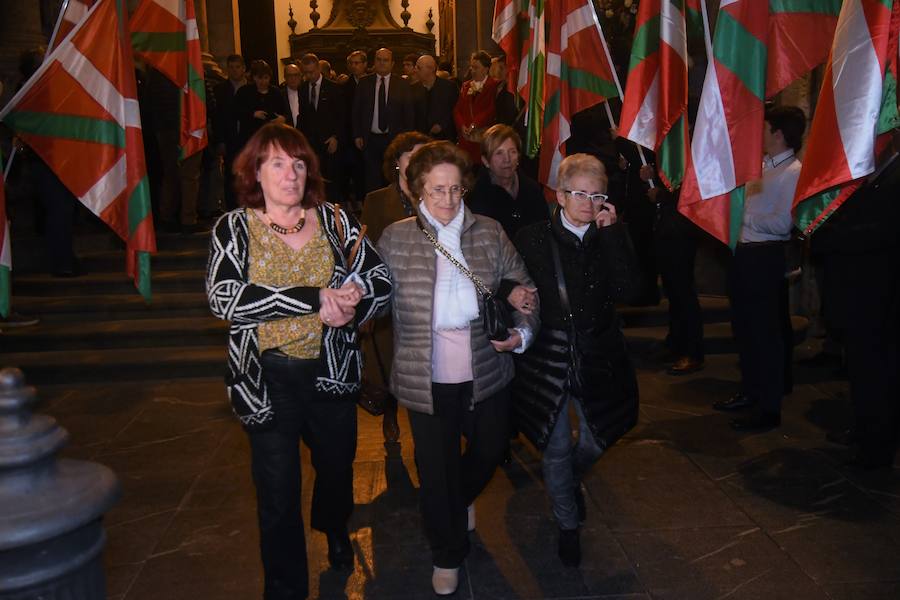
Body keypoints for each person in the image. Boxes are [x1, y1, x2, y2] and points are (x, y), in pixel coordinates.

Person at [205, 123, 392, 599]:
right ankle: (285, 590)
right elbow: (225, 297)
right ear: (255, 173)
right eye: (277, 163)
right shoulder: (234, 227)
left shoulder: (333, 220)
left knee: (336, 472)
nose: (291, 173)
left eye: (299, 163)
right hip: (266, 380)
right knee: (277, 495)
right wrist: (314, 297)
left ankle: (333, 528)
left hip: (332, 374)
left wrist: (355, 295)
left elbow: (380, 278)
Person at [376, 141, 539, 596]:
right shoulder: (395, 237)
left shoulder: (489, 231)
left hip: (485, 366)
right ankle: (447, 552)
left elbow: (526, 290)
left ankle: (457, 500)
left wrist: (522, 333)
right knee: (436, 468)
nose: (447, 201)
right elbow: (374, 297)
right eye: (436, 191)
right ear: (415, 192)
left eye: (455, 190)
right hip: (422, 373)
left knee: (488, 450)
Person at [512, 154, 640, 568]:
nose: (588, 203)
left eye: (597, 195)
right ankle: (568, 525)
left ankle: (566, 483)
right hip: (547, 355)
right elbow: (511, 284)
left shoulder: (609, 235)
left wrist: (615, 234)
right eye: (580, 193)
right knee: (554, 445)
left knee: (596, 438)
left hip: (598, 354)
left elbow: (630, 289)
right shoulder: (532, 237)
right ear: (561, 194)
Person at [713, 106, 805, 431]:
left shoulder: (793, 171)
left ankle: (769, 408)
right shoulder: (762, 166)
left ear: (778, 133)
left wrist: (740, 216)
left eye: (764, 127)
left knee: (766, 334)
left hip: (764, 258)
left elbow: (784, 223)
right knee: (745, 329)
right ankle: (750, 391)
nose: (760, 133)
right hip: (744, 256)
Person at [361, 131, 432, 443]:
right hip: (391, 297)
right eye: (411, 156)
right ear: (397, 163)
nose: (417, 162)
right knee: (389, 362)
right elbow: (367, 252)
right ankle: (390, 414)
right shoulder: (376, 201)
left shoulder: (436, 196)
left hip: (429, 297)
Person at [466, 124, 548, 242]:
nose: (507, 159)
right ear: (485, 161)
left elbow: (545, 230)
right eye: (499, 153)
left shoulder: (532, 189)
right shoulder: (477, 196)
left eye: (512, 152)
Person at [352, 48, 415, 193]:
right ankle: (374, 212)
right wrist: (357, 135)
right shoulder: (364, 83)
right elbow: (356, 112)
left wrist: (406, 140)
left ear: (392, 63)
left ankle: (394, 211)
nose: (381, 63)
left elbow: (408, 113)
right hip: (370, 139)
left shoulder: (402, 84)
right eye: (378, 60)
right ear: (374, 62)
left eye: (385, 60)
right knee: (371, 179)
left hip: (394, 138)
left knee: (393, 177)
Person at [298, 53, 345, 202]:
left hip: (329, 141)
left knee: (331, 182)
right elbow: (303, 116)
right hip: (310, 142)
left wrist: (336, 137)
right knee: (312, 180)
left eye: (311, 72)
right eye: (306, 72)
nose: (309, 75)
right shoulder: (303, 89)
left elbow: (342, 116)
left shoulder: (334, 88)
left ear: (318, 68)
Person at [213, 54, 248, 210]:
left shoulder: (251, 88)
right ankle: (232, 210)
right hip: (230, 138)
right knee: (231, 175)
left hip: (248, 138)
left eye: (237, 67)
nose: (234, 71)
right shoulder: (220, 90)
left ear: (243, 68)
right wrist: (220, 140)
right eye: (231, 67)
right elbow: (217, 117)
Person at [453, 50, 500, 164]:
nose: (472, 70)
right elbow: (457, 109)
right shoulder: (466, 85)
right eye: (471, 67)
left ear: (486, 69)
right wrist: (462, 125)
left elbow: (490, 109)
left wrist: (474, 124)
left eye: (476, 67)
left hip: (481, 135)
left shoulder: (493, 85)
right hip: (466, 136)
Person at [234, 60, 288, 151]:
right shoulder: (244, 92)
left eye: (266, 78)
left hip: (272, 138)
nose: (263, 81)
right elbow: (235, 112)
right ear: (254, 77)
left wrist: (282, 119)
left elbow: (285, 111)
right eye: (259, 78)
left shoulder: (276, 92)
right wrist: (252, 114)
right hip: (250, 139)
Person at [412, 55, 459, 142]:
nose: (415, 70)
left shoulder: (449, 87)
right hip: (421, 140)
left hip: (445, 138)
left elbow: (455, 110)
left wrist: (442, 125)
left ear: (431, 69)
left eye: (418, 67)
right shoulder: (413, 89)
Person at [281, 63, 302, 129]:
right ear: (285, 77)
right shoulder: (280, 95)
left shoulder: (306, 92)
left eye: (295, 75)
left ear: (300, 76)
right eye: (289, 75)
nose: (293, 78)